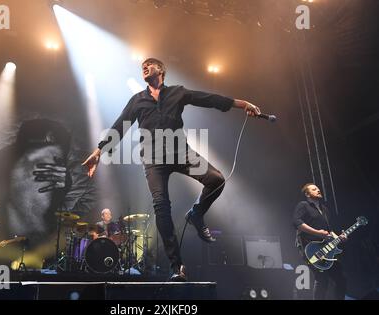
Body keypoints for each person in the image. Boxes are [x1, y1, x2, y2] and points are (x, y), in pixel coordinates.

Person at [82, 57, 261, 281]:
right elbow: (119, 126)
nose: (144, 68)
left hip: (180, 152)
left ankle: (196, 214)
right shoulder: (137, 100)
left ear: (161, 71)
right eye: (142, 67)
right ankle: (178, 267)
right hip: (153, 159)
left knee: (217, 179)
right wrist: (99, 152)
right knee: (161, 207)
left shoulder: (178, 92)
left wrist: (242, 103)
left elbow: (209, 99)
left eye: (149, 65)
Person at [293, 183, 348, 300]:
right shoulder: (303, 205)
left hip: (326, 249)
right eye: (314, 189)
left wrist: (339, 237)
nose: (318, 190)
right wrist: (317, 233)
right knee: (322, 278)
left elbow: (329, 231)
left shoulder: (325, 209)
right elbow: (297, 223)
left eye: (318, 189)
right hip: (310, 248)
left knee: (341, 279)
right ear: (307, 194)